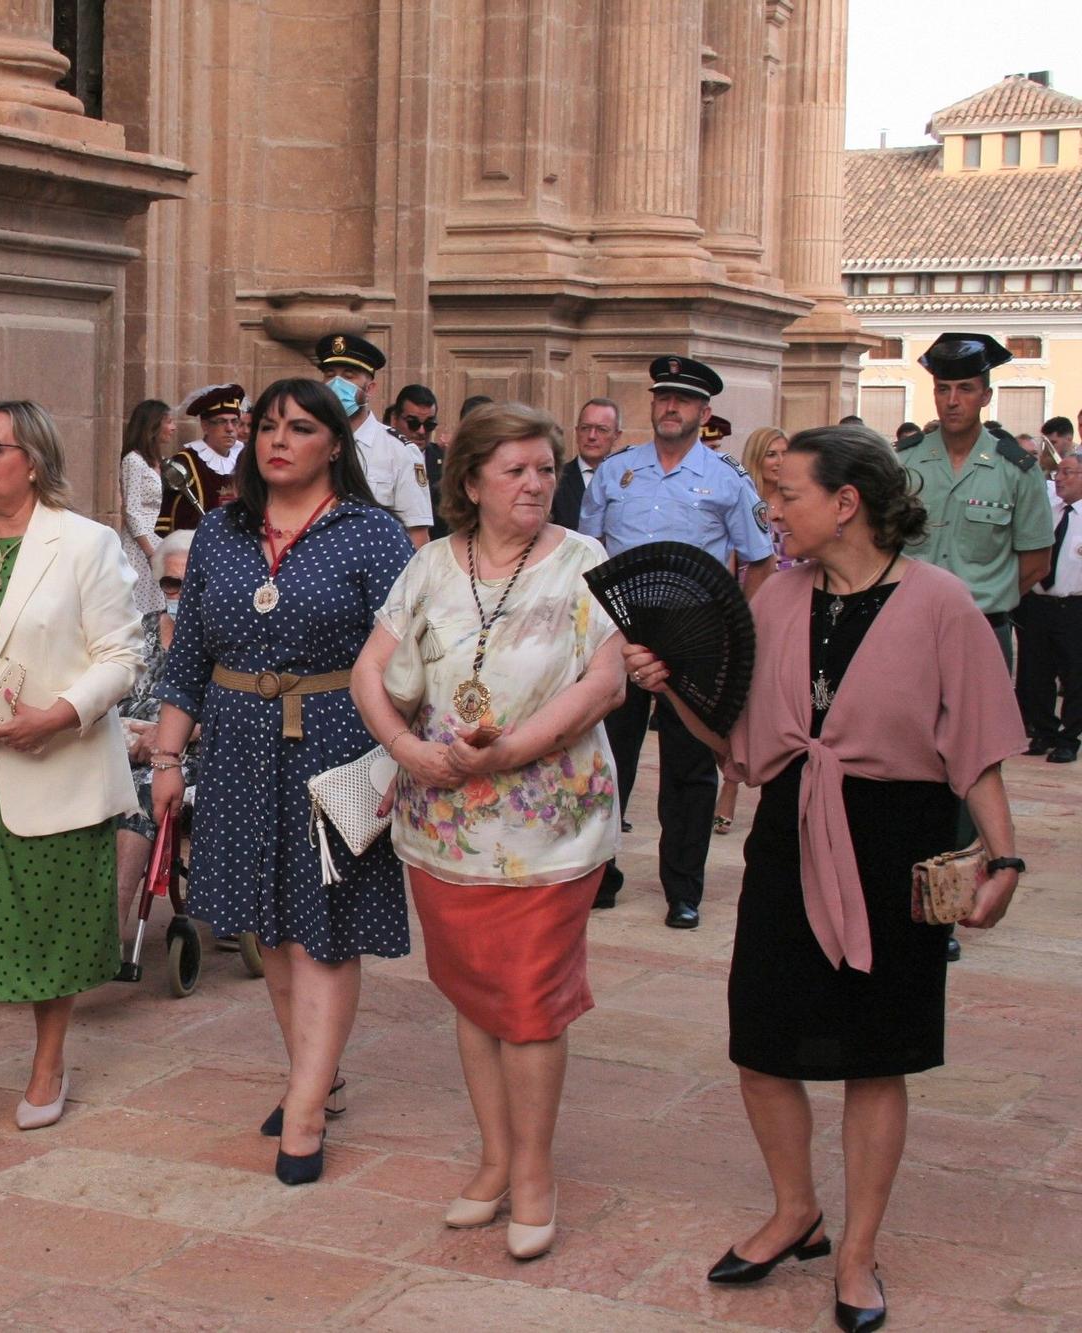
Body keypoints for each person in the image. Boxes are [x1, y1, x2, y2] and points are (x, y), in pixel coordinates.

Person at [623, 424, 1025, 1333]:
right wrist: (671, 686)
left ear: (847, 502)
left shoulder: (942, 604)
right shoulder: (773, 600)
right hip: (789, 831)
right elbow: (736, 742)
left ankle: (857, 1250)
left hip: (896, 841)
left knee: (877, 1056)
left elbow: (980, 753)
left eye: (787, 495)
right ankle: (794, 1209)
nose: (770, 511)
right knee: (761, 1043)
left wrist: (1003, 855)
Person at [351, 401, 626, 1262]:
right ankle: (495, 1158)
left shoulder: (586, 561)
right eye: (516, 470)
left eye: (544, 468)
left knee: (532, 1001)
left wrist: (509, 750)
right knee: (473, 992)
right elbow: (371, 666)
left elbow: (604, 684)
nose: (537, 482)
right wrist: (402, 746)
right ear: (470, 482)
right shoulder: (431, 563)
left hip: (550, 824)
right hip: (444, 822)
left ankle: (535, 1173)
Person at [149, 377, 413, 1186]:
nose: (277, 439)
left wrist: (401, 753)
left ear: (335, 442)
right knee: (267, 921)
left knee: (324, 924)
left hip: (336, 742)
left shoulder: (373, 534)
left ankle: (304, 1106)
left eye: (300, 427)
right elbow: (188, 647)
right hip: (235, 745)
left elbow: (409, 653)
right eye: (267, 426)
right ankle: (317, 1072)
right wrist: (165, 757)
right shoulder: (225, 531)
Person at [0, 400, 144, 1136]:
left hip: (55, 766)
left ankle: (48, 1065)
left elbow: (122, 657)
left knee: (51, 926)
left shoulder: (85, 544)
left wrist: (58, 715)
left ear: (33, 460)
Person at [580, 354, 773, 928]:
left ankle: (682, 888)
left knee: (690, 767)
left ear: (703, 411)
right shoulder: (617, 472)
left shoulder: (727, 479)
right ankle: (601, 874)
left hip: (694, 636)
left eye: (684, 400)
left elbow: (759, 563)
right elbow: (586, 555)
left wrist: (731, 626)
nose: (671, 407)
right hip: (622, 632)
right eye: (663, 396)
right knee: (609, 756)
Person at [896, 333, 1053, 670]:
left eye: (965, 389)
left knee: (982, 723)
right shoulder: (902, 464)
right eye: (943, 389)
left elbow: (1037, 563)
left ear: (985, 396)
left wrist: (985, 598)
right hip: (908, 626)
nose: (952, 400)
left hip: (984, 629)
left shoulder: (1017, 471)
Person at [114, 528, 196, 933]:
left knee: (141, 790)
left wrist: (167, 739)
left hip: (187, 755)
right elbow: (110, 691)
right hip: (121, 745)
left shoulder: (220, 641)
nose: (180, 591)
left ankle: (110, 929)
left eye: (191, 581)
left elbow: (228, 711)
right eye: (170, 582)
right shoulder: (136, 631)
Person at [715, 426, 796, 835]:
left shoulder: (799, 503)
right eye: (771, 454)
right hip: (751, 610)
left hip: (795, 614)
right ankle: (728, 786)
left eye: (785, 453)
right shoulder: (746, 502)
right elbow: (734, 563)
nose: (779, 461)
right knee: (742, 705)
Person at [315, 334, 433, 545]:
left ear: (370, 389)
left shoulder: (399, 451)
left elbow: (417, 536)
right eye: (329, 375)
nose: (336, 384)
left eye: (348, 376)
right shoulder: (311, 444)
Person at [1014, 453, 1082, 763]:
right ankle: (1043, 730)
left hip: (1075, 606)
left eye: (1068, 472)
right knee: (1034, 672)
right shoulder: (1048, 511)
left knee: (1075, 675)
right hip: (1038, 603)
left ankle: (1069, 738)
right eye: (1058, 472)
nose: (1060, 478)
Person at [158, 384, 246, 534]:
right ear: (205, 425)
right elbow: (168, 521)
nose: (230, 428)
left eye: (234, 421)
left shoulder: (245, 460)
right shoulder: (185, 462)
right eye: (221, 421)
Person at [118, 398, 172, 616]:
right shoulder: (133, 460)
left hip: (160, 542)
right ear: (153, 425)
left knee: (162, 607)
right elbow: (131, 510)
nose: (173, 427)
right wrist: (150, 552)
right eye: (168, 421)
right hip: (141, 546)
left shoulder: (161, 461)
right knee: (141, 608)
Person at [390, 382, 450, 541]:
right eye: (413, 423)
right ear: (394, 419)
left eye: (430, 424)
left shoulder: (446, 463)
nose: (421, 431)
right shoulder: (379, 459)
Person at [551, 398, 621, 529]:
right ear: (577, 432)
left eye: (602, 429)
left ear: (616, 435)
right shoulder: (556, 478)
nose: (592, 436)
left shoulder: (627, 481)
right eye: (585, 428)